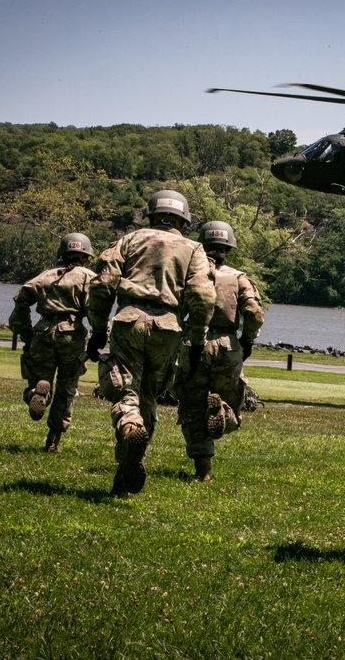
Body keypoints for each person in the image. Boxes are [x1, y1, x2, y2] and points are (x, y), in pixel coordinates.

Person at [86, 190, 215, 497]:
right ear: (183, 219)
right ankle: (127, 476)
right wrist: (197, 340)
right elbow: (203, 296)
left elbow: (103, 284)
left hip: (129, 320)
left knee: (124, 390)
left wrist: (98, 329)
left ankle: (129, 427)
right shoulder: (193, 248)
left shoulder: (130, 240)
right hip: (168, 328)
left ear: (152, 214)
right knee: (149, 398)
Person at [175, 220, 265, 481]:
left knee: (192, 406)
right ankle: (224, 412)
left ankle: (203, 470)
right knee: (232, 396)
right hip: (228, 345)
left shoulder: (190, 275)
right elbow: (255, 313)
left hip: (194, 343)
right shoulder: (239, 278)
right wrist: (247, 340)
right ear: (229, 248)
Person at [9, 233, 96, 453]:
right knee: (67, 386)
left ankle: (36, 394)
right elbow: (96, 310)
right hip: (72, 333)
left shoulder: (45, 275)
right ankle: (53, 440)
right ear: (86, 255)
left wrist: (26, 332)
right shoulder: (88, 277)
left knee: (39, 376)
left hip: (43, 331)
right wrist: (98, 335)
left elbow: (21, 302)